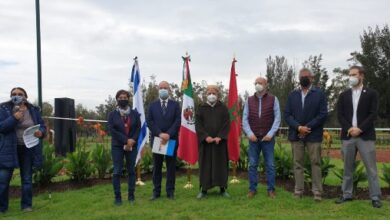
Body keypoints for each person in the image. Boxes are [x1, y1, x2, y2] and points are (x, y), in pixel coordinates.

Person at [335, 66, 382, 208]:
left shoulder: (372, 93)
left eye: (354, 74)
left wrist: (360, 129)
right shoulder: (343, 95)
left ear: (362, 76)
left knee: (371, 169)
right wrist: (350, 128)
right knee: (348, 168)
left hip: (365, 136)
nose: (351, 77)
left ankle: (375, 197)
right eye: (349, 75)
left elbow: (373, 114)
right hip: (348, 136)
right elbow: (340, 115)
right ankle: (346, 194)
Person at [0, 87, 46, 213]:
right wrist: (14, 118)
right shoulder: (3, 109)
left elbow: (42, 126)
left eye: (20, 94)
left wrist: (40, 132)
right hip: (9, 149)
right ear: (10, 96)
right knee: (3, 180)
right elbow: (2, 127)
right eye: (14, 94)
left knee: (26, 179)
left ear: (26, 96)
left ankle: (26, 206)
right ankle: (2, 208)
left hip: (28, 148)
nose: (17, 96)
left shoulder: (33, 110)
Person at [285, 68, 327, 201]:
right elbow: (287, 115)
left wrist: (307, 127)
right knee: (297, 163)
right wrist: (298, 127)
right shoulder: (292, 94)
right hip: (296, 135)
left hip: (313, 135)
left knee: (315, 163)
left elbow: (323, 114)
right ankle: (298, 190)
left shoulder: (319, 94)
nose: (303, 78)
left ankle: (317, 192)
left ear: (312, 78)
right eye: (301, 76)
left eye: (306, 76)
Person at [243, 77, 281, 199]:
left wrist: (270, 134)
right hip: (253, 138)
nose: (257, 85)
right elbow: (244, 119)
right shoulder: (248, 100)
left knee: (270, 165)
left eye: (260, 83)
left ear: (266, 85)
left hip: (267, 139)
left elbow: (277, 118)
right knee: (253, 165)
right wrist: (249, 134)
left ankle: (271, 190)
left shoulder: (274, 99)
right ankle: (252, 189)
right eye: (256, 83)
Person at [147, 81, 181, 200]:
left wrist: (168, 134)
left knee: (171, 167)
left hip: (171, 140)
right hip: (158, 140)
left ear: (169, 89)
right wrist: (160, 134)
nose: (163, 89)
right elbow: (150, 122)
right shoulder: (152, 105)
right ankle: (156, 192)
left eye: (165, 88)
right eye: (161, 88)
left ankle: (170, 192)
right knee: (157, 167)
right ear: (158, 89)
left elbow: (177, 121)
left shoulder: (175, 105)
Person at [195, 85, 230, 199]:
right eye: (209, 93)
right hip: (206, 144)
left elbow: (226, 124)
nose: (211, 95)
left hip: (219, 143)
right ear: (206, 95)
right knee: (205, 166)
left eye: (213, 93)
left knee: (220, 166)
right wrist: (205, 137)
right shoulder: (201, 108)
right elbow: (198, 125)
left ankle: (222, 188)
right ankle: (203, 189)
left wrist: (220, 137)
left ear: (218, 95)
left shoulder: (223, 108)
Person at [108, 90, 141, 206]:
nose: (123, 99)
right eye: (120, 97)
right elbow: (112, 130)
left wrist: (132, 140)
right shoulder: (112, 115)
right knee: (117, 171)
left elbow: (138, 128)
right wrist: (126, 140)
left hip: (132, 145)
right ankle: (118, 198)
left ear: (128, 98)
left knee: (131, 171)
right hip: (117, 146)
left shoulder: (135, 114)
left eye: (125, 97)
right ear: (117, 99)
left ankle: (131, 196)